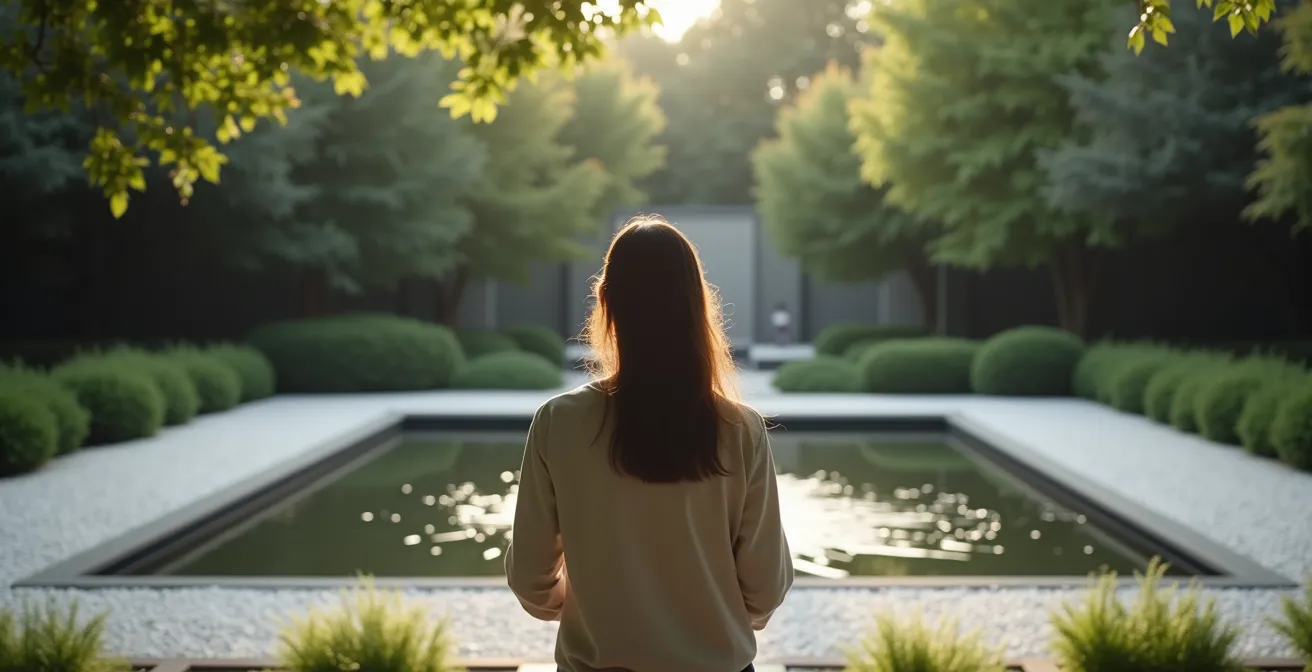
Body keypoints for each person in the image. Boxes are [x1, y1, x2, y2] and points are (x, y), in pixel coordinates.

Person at [506, 215, 794, 672]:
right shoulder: (741, 430)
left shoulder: (558, 423)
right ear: (698, 305)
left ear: (606, 303)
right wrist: (716, 622)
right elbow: (765, 588)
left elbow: (530, 578)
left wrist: (587, 610)